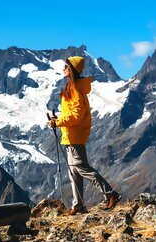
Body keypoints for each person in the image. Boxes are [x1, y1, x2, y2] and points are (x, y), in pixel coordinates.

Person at [48, 56, 121, 215]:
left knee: (81, 168)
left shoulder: (74, 88)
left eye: (66, 66)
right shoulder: (74, 87)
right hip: (72, 134)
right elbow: (73, 113)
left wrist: (59, 122)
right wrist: (58, 120)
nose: (63, 69)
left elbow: (76, 114)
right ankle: (78, 206)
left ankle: (110, 194)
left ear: (72, 69)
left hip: (74, 135)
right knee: (74, 171)